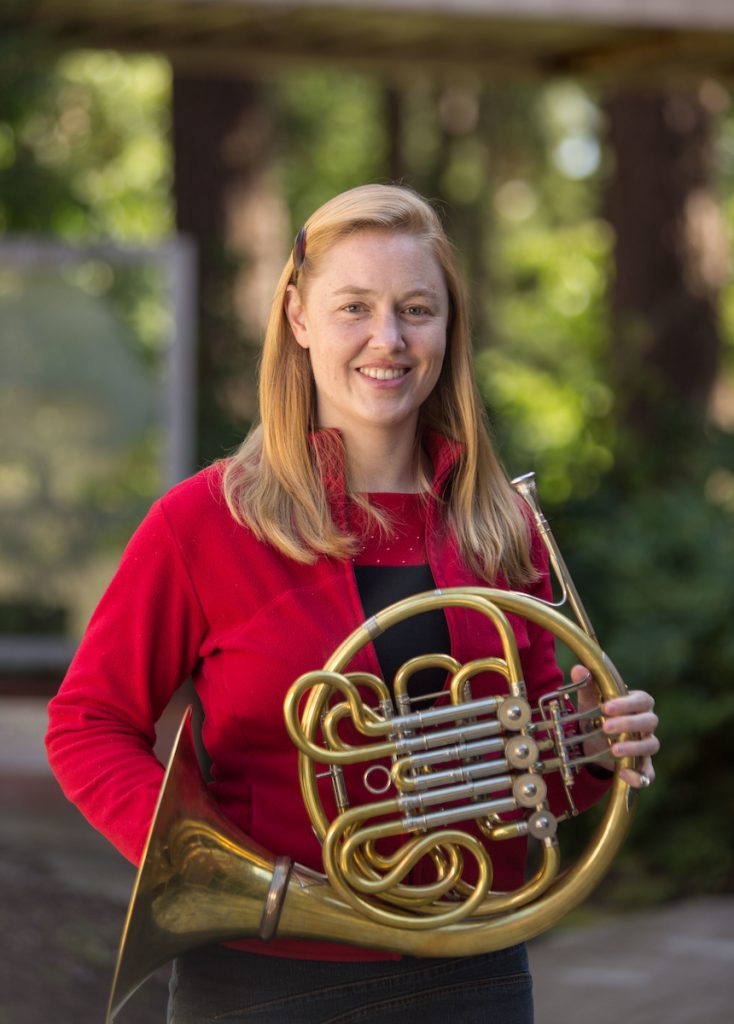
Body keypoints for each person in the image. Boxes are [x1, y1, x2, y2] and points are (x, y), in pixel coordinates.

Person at [46, 183, 660, 1024]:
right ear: (297, 318)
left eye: (417, 309)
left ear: (449, 328)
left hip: (475, 970)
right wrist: (192, 861)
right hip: (266, 983)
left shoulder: (501, 524)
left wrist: (589, 746)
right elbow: (86, 723)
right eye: (354, 308)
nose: (389, 338)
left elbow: (528, 774)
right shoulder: (203, 522)